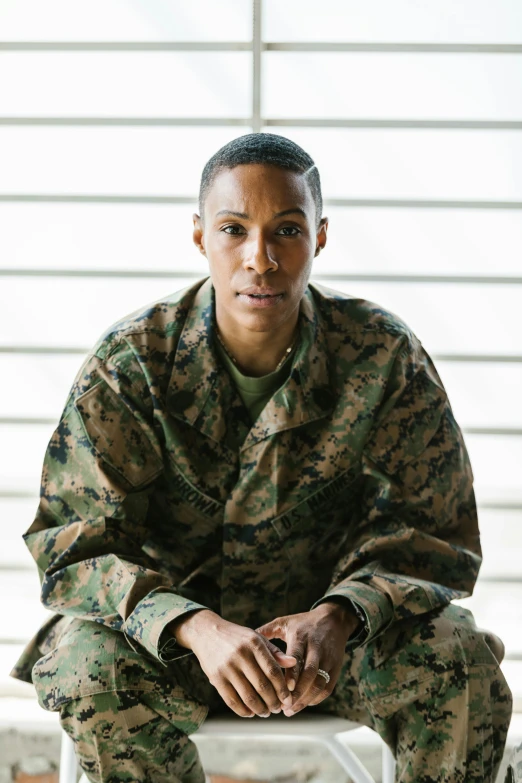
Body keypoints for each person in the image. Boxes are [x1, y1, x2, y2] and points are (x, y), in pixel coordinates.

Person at [11, 133, 512, 783]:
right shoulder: (130, 365)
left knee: (461, 657)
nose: (261, 258)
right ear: (199, 237)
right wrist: (193, 625)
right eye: (233, 229)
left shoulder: (382, 356)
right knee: (83, 661)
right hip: (176, 648)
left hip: (331, 654)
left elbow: (432, 533)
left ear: (320, 236)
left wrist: (341, 613)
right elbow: (75, 544)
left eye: (287, 230)